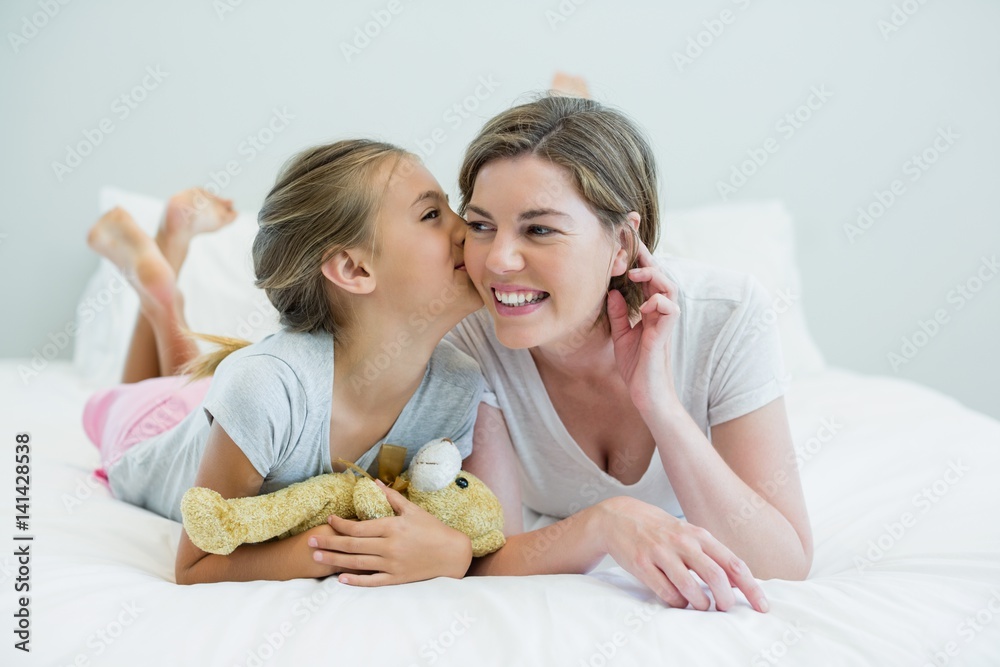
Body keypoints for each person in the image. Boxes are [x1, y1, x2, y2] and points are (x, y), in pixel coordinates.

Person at [320, 84, 813, 614]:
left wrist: (659, 403)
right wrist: (606, 522)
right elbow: (491, 555)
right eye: (482, 225)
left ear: (622, 244)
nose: (499, 261)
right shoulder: (468, 341)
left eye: (540, 229)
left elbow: (784, 564)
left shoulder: (727, 315)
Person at [82, 140, 487, 585]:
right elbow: (195, 566)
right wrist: (341, 551)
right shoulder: (264, 390)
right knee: (153, 393)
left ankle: (161, 280)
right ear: (353, 269)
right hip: (148, 430)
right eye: (431, 215)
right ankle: (162, 296)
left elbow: (454, 519)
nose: (468, 228)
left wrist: (456, 550)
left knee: (202, 386)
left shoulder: (458, 388)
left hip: (244, 413)